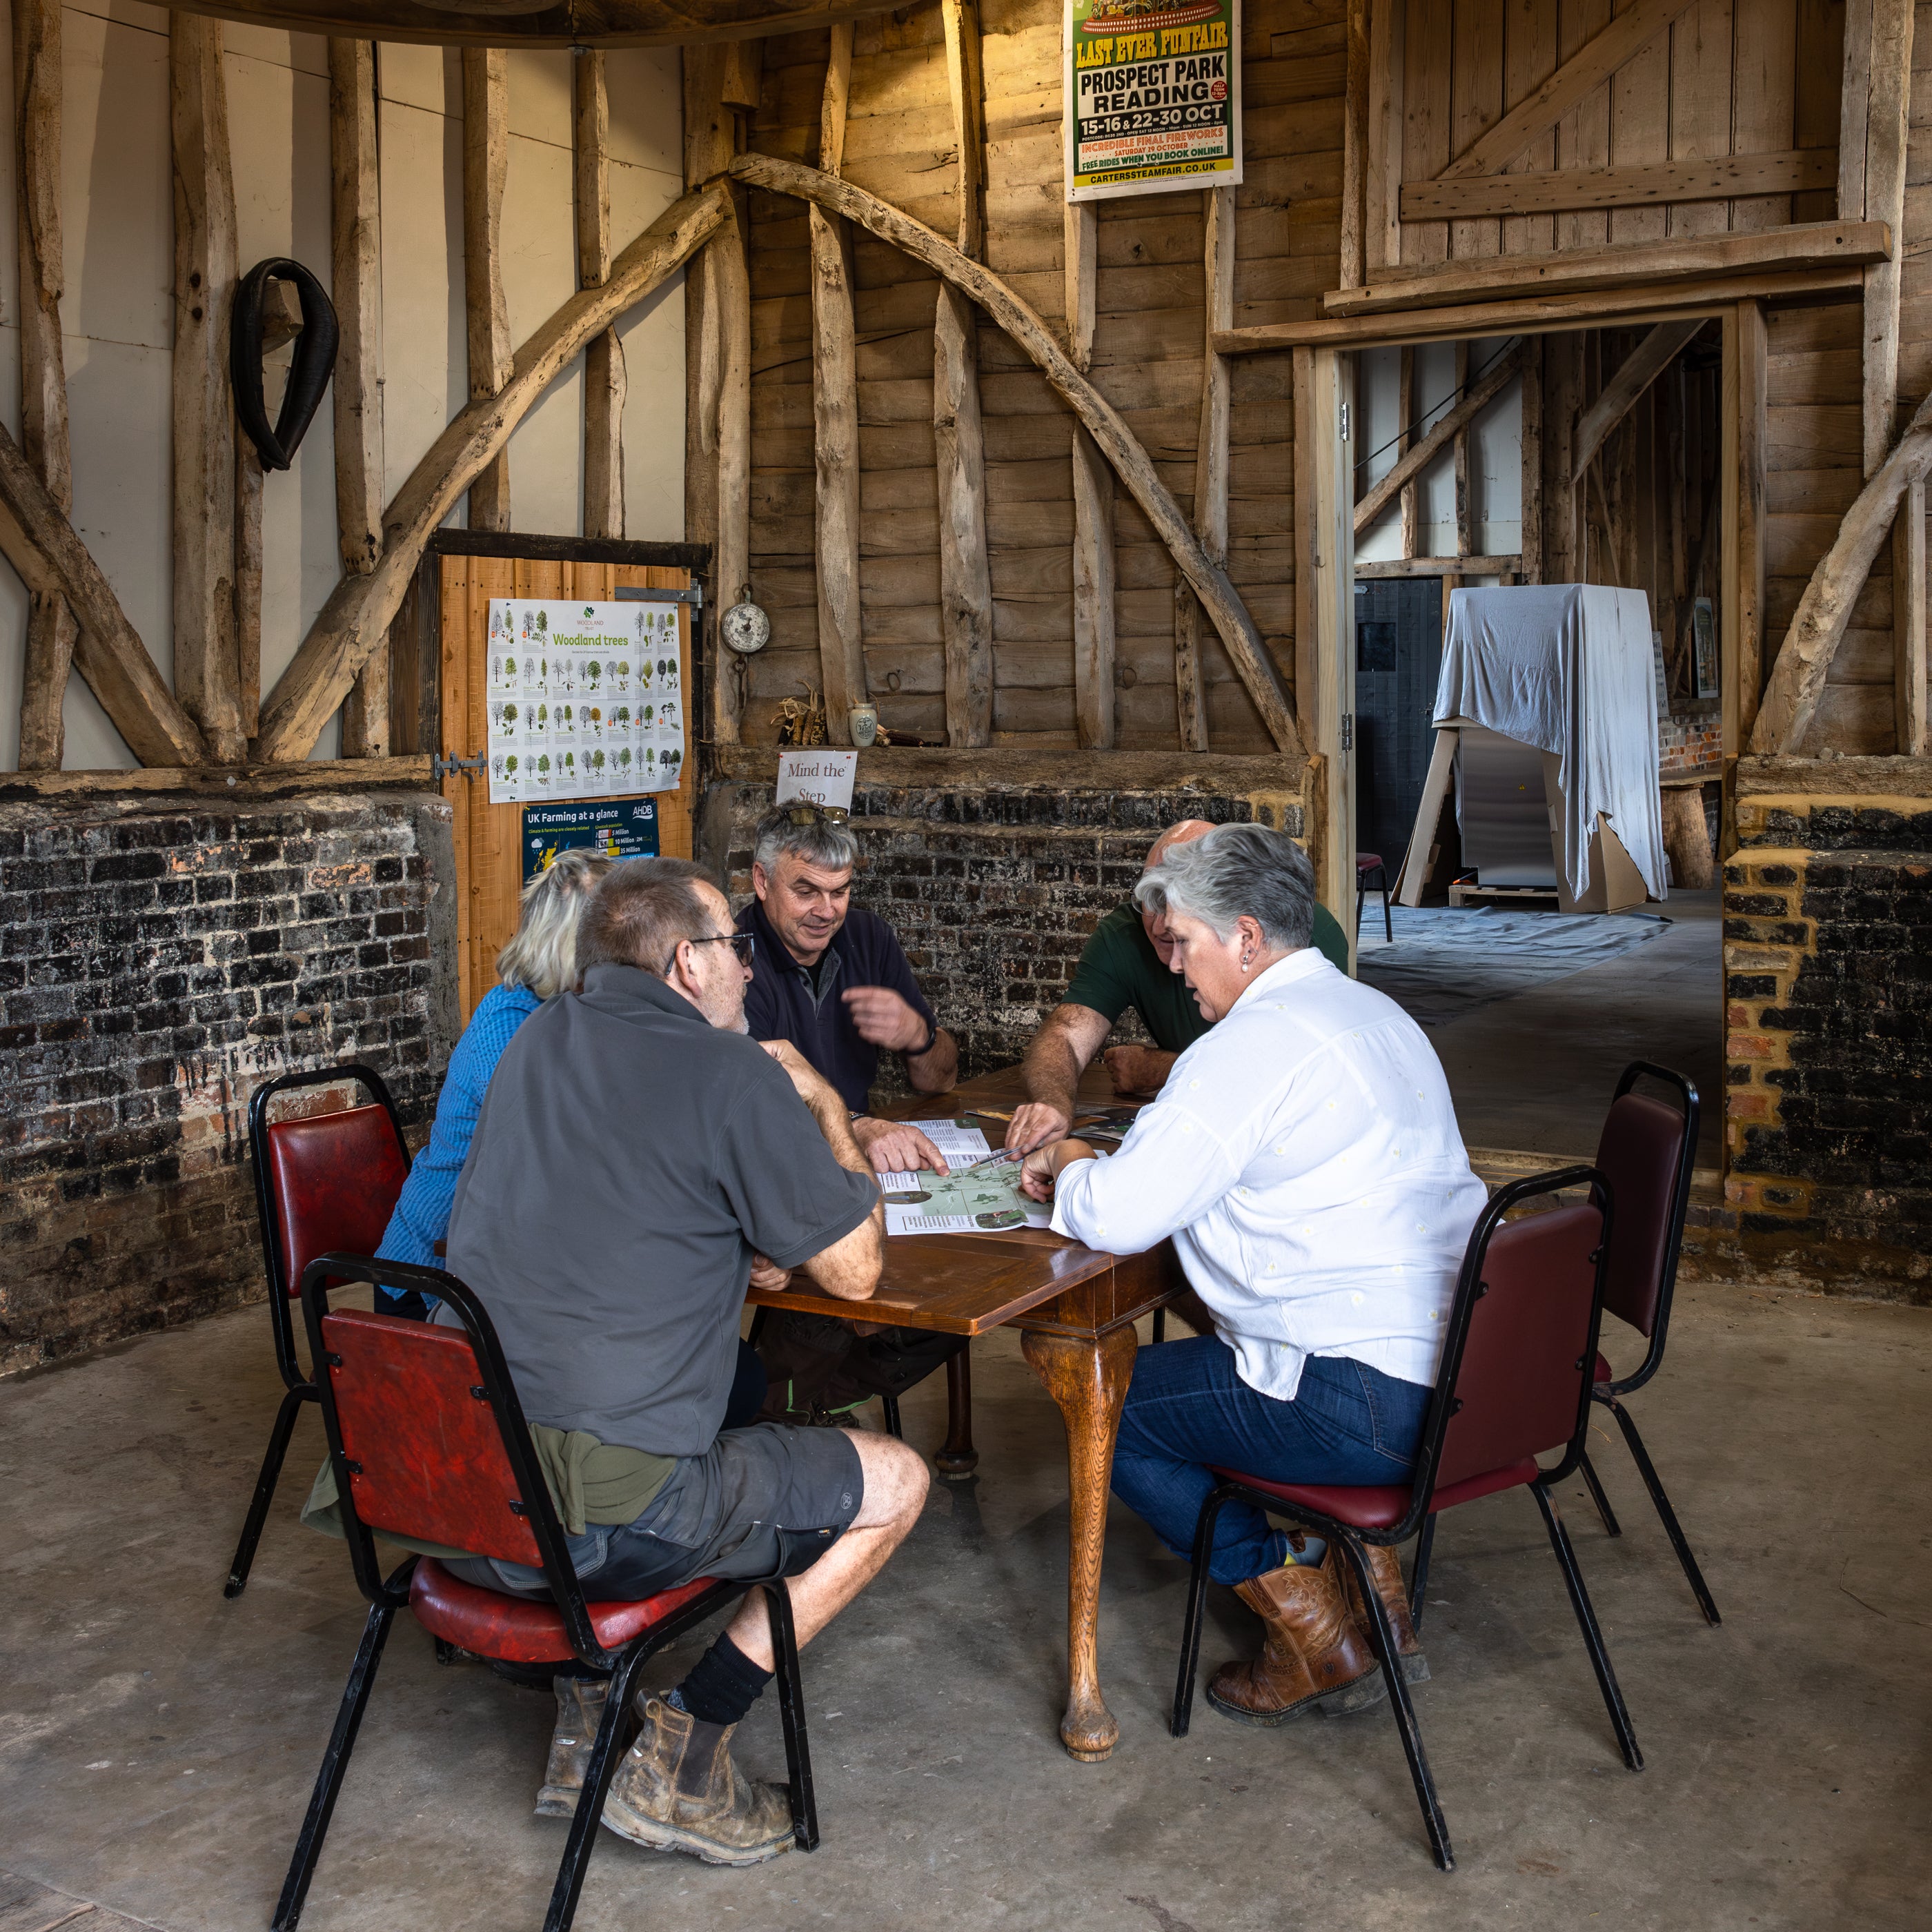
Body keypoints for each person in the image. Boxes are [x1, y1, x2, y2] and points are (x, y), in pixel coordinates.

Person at [441, 858, 929, 1864]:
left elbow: (599, 1200)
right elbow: (856, 1272)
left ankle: (588, 1712)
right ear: (681, 965)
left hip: (457, 1490)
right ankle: (687, 1749)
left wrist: (713, 1226)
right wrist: (824, 1106)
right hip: (606, 1520)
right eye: (732, 950)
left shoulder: (533, 1041)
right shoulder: (733, 1072)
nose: (748, 972)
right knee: (898, 1479)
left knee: (735, 1392)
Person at [1018, 823, 1487, 1727]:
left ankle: (1307, 1623)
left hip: (1367, 1406)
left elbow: (1117, 1215)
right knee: (1203, 1336)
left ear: (1242, 937)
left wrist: (1073, 1160)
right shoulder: (1373, 1013)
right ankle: (1358, 1571)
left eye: (1186, 943)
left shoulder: (1244, 1047)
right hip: (1469, 1380)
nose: (1179, 970)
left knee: (1112, 1404)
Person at [371, 849, 767, 1428]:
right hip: (433, 1282)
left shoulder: (577, 1020)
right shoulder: (521, 1035)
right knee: (710, 1373)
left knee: (720, 1364)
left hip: (517, 1273)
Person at [1005, 819, 1354, 1154]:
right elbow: (1066, 1035)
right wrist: (1053, 1103)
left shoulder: (1304, 933)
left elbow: (1294, 1076)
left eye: (1175, 904)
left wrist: (1165, 1068)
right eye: (1150, 901)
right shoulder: (1125, 934)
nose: (1159, 925)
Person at [736, 805, 958, 1176]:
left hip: (858, 1163)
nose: (826, 912)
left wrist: (919, 1036)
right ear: (762, 881)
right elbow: (751, 1108)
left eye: (840, 892)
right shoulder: (733, 961)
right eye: (806, 891)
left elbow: (940, 1080)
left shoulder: (869, 938)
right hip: (777, 1167)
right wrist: (857, 1126)